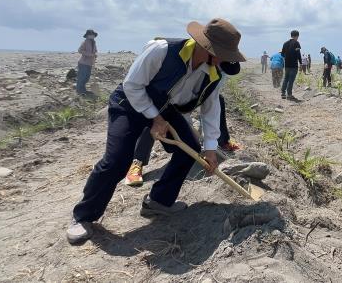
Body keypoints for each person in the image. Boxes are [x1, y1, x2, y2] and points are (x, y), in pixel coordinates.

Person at [66, 18, 246, 244]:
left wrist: (210, 148)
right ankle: (83, 216)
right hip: (129, 104)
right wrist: (155, 118)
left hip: (166, 108)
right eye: (222, 53)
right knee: (117, 161)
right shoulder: (162, 50)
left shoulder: (214, 74)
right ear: (205, 47)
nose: (223, 60)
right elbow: (132, 84)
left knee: (190, 149)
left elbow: (211, 111)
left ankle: (158, 201)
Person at [125, 62, 243, 187]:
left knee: (217, 103)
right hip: (162, 99)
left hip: (184, 105)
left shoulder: (218, 75)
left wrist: (210, 146)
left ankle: (223, 141)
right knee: (153, 120)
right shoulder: (188, 63)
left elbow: (210, 107)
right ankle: (137, 162)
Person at [280, 30, 302, 100]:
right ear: (297, 36)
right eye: (298, 36)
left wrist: (287, 56)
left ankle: (283, 93)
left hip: (287, 65)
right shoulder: (297, 43)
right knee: (291, 80)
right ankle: (289, 95)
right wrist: (301, 63)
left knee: (286, 79)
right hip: (294, 65)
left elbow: (282, 54)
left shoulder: (285, 43)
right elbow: (298, 54)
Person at [76, 29, 98, 95]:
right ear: (87, 36)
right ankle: (79, 90)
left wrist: (95, 55)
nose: (92, 36)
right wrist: (90, 54)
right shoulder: (85, 42)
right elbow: (80, 50)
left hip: (90, 63)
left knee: (87, 78)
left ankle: (83, 90)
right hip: (83, 63)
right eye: (91, 35)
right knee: (82, 77)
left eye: (93, 35)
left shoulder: (94, 42)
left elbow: (95, 50)